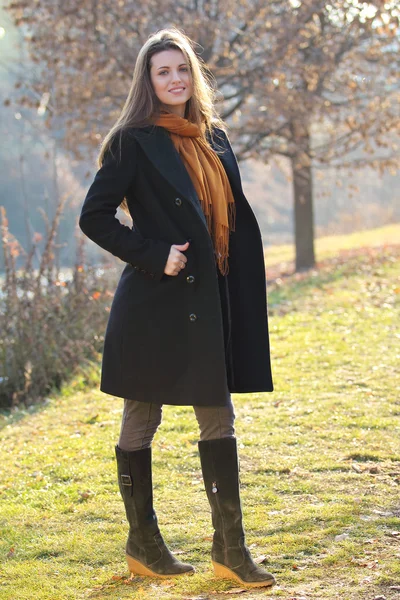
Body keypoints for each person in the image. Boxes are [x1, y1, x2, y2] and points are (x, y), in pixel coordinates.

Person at [79, 28, 275, 589]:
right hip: (154, 302)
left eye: (181, 69)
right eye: (162, 72)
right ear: (148, 81)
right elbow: (94, 217)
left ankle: (230, 549)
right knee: (143, 417)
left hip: (208, 302)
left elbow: (230, 217)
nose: (174, 79)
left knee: (218, 415)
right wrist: (153, 254)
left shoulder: (214, 137)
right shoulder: (131, 142)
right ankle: (144, 543)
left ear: (193, 74)